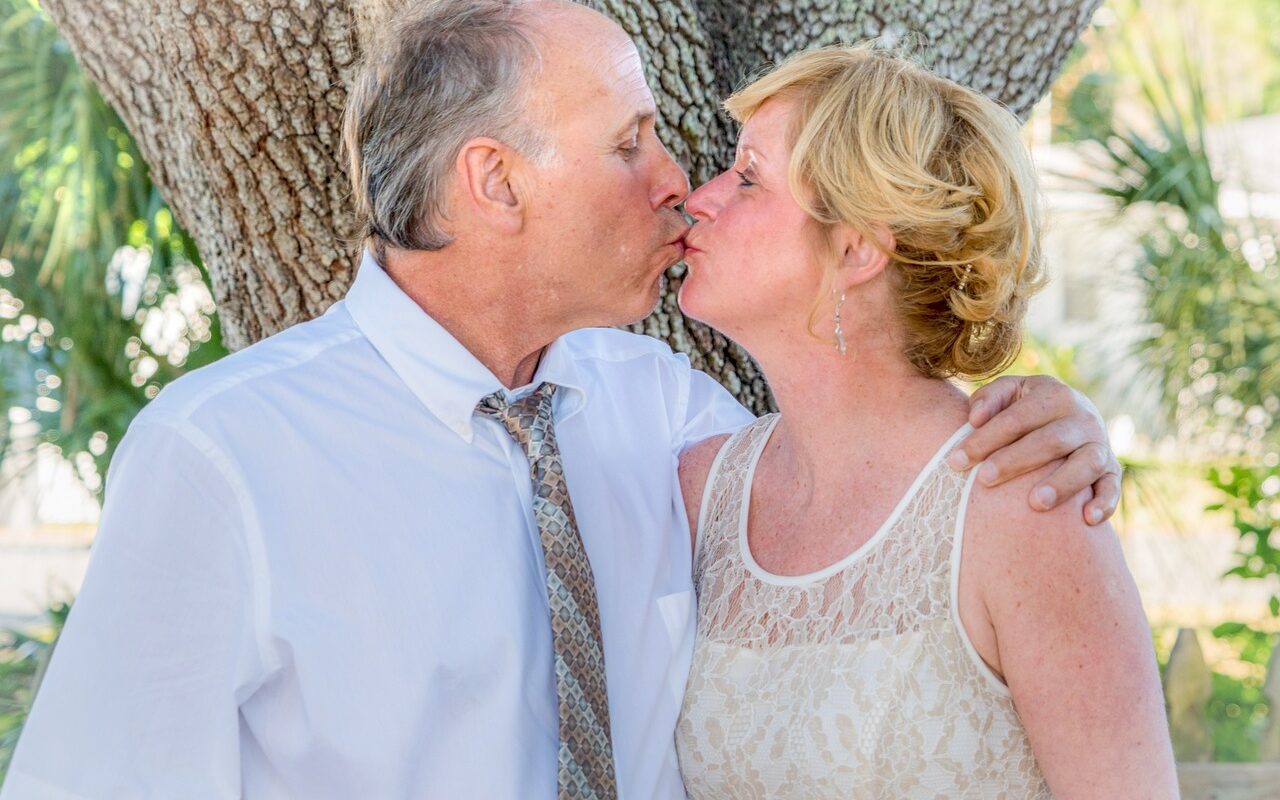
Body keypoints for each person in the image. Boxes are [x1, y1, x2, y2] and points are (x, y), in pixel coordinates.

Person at [3, 3, 1120, 798]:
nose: (677, 181)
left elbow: (873, 494)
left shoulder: (666, 415)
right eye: (629, 143)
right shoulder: (222, 457)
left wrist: (1051, 426)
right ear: (496, 182)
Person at [672, 43, 1177, 798]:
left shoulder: (1024, 501)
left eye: (748, 177)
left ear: (856, 248)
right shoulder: (698, 491)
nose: (700, 198)